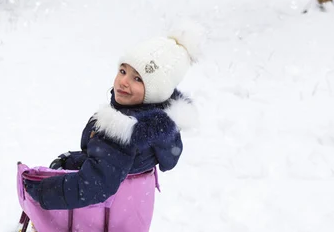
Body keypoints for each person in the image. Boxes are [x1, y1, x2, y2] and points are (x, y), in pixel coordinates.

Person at [24, 26, 201, 210]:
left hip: (103, 219)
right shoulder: (160, 126)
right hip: (130, 212)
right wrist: (72, 161)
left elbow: (94, 185)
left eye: (138, 79)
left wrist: (43, 191)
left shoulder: (122, 131)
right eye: (123, 71)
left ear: (155, 93)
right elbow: (115, 162)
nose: (124, 81)